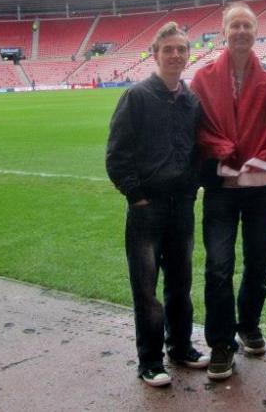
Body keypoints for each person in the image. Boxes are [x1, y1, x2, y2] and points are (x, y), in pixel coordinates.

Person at [105, 21, 208, 388]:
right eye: (169, 49)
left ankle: (180, 347)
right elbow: (117, 155)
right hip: (147, 209)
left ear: (188, 54)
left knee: (180, 283)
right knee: (146, 289)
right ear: (155, 54)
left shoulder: (191, 100)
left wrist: (192, 186)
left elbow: (197, 151)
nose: (176, 55)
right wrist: (137, 196)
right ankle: (150, 360)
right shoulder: (136, 97)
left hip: (182, 206)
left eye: (181, 49)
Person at [190, 3, 266, 381]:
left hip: (262, 191)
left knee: (258, 263)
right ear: (224, 31)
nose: (241, 31)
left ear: (256, 32)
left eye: (248, 25)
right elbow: (196, 127)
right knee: (218, 266)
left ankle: (248, 324)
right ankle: (220, 343)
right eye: (235, 25)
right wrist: (218, 147)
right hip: (222, 191)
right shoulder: (203, 78)